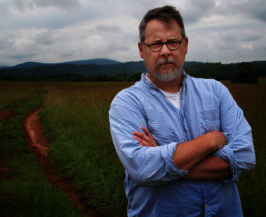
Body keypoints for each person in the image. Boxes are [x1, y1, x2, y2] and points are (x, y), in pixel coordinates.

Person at [109, 5, 256, 217]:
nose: (166, 51)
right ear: (142, 49)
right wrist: (210, 141)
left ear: (185, 45)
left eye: (173, 42)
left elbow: (245, 156)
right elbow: (141, 168)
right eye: (156, 44)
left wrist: (164, 159)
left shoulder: (216, 91)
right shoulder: (126, 103)